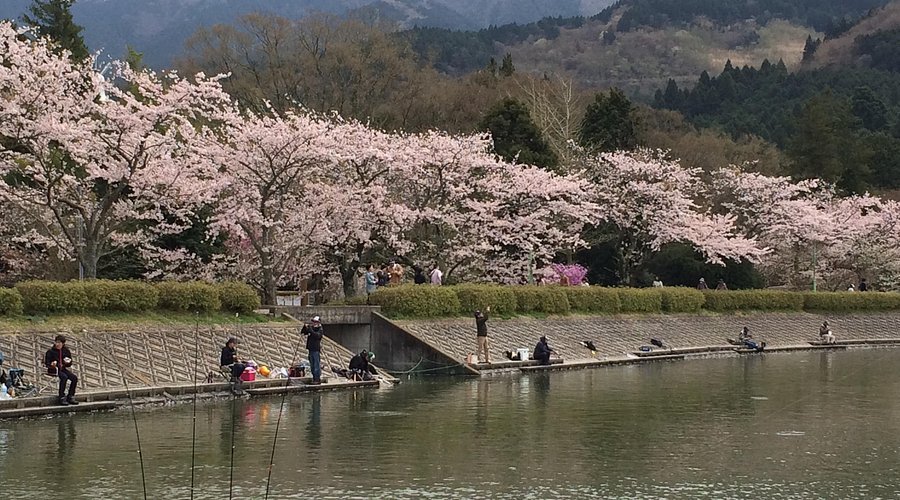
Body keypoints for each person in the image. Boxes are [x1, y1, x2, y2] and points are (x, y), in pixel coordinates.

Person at [44, 335, 78, 406]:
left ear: (63, 343)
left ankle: (71, 395)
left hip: (63, 369)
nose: (57, 344)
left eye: (59, 343)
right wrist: (52, 365)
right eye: (56, 342)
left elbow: (69, 363)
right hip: (53, 369)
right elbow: (47, 363)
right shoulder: (50, 351)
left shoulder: (66, 351)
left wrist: (67, 362)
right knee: (64, 377)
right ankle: (61, 396)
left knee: (74, 378)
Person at [302, 316, 325, 384]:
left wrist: (311, 331)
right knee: (312, 364)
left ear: (318, 322)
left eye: (315, 322)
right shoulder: (311, 328)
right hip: (310, 349)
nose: (314, 323)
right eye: (313, 321)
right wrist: (305, 328)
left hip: (316, 349)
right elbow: (304, 332)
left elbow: (317, 336)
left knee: (316, 365)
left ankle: (317, 379)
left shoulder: (320, 329)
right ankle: (314, 378)